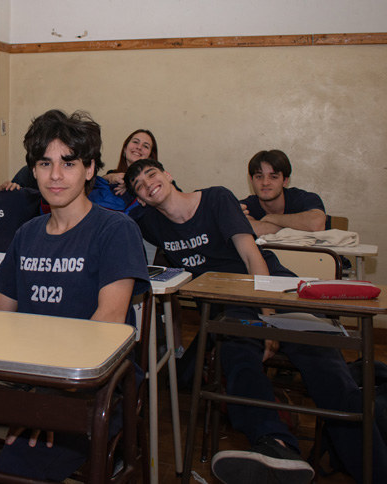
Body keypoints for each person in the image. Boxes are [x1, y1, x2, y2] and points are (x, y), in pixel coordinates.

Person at [125, 159, 387, 484]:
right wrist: (115, 181)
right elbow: (108, 216)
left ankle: (375, 471)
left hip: (273, 289)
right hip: (231, 305)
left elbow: (252, 258)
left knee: (325, 363)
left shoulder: (216, 199)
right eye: (138, 185)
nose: (147, 184)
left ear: (168, 175)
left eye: (151, 174)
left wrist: (268, 318)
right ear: (141, 199)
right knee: (237, 358)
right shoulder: (149, 221)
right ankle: (276, 445)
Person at [0, 109, 150, 481]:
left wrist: (50, 398)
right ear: (33, 170)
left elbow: (107, 325)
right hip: (30, 376)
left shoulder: (115, 230)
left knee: (19, 463)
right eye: (45, 163)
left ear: (90, 169)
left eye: (69, 163)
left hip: (94, 386)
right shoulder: (27, 234)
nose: (55, 176)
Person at [239, 150, 329, 237]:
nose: (265, 183)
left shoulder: (305, 199)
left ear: (285, 181)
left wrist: (271, 218)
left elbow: (316, 224)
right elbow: (244, 230)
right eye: (259, 177)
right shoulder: (244, 206)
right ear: (251, 180)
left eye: (274, 177)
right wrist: (298, 228)